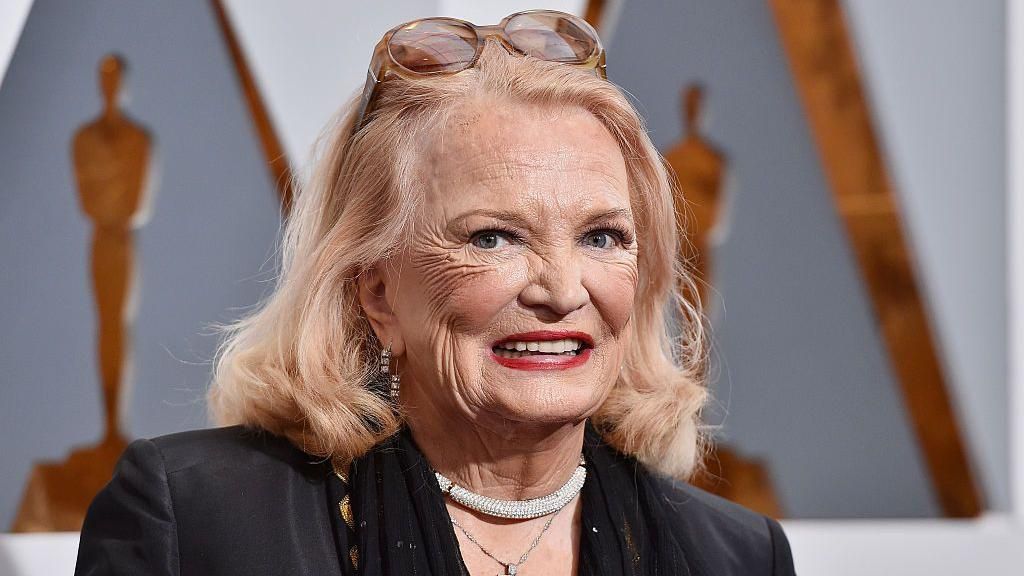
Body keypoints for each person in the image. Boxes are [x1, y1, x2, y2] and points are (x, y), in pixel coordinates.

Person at [75, 10, 796, 576]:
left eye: (602, 237)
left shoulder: (734, 555)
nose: (561, 289)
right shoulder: (198, 519)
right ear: (377, 290)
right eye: (493, 238)